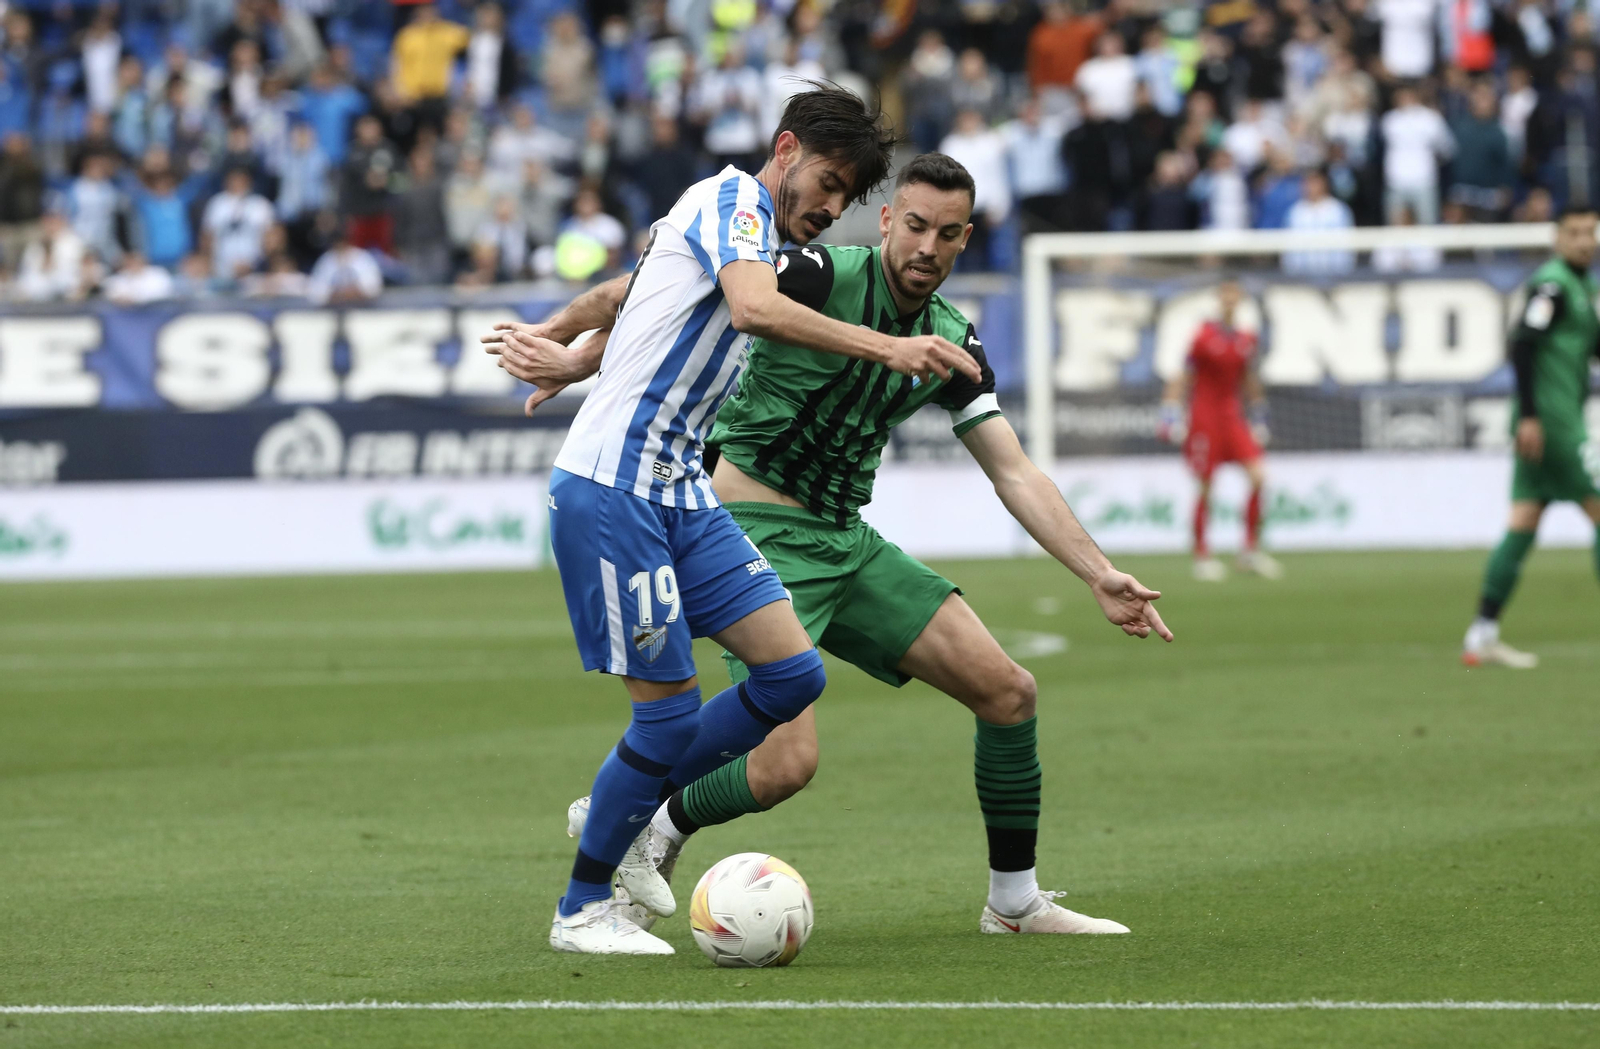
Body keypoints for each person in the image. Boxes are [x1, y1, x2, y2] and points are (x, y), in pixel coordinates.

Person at [517, 153, 1170, 938]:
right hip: (753, 523)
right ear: (890, 220)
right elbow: (662, 287)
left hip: (845, 541)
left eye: (948, 234)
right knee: (787, 762)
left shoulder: (951, 339)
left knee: (1008, 693)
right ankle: (650, 822)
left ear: (967, 240)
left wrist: (1098, 573)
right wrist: (576, 352)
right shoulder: (818, 272)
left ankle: (1015, 902)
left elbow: (1014, 470)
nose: (928, 246)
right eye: (917, 225)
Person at [482, 85, 976, 956]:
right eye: (825, 182)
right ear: (784, 151)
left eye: (845, 197)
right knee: (667, 720)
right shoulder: (729, 203)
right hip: (616, 489)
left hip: (682, 490)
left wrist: (563, 346)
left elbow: (634, 294)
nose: (829, 208)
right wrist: (892, 346)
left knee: (792, 674)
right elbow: (750, 309)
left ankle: (613, 806)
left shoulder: (761, 238)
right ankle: (581, 907)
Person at [1462, 206, 1600, 668]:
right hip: (1554, 425)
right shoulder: (1553, 284)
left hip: (1546, 424)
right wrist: (1531, 416)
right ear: (1557, 237)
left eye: (1591, 232)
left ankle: (1482, 632)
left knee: (1523, 520)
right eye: (1575, 233)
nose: (1585, 240)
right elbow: (1522, 344)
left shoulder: (1582, 287)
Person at [1161, 278, 1281, 582]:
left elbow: (1249, 378)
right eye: (1224, 294)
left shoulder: (1246, 338)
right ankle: (1202, 555)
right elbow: (1184, 375)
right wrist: (1170, 411)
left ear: (1239, 299)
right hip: (1204, 417)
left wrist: (1260, 414)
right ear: (1218, 298)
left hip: (1232, 416)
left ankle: (1249, 551)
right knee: (1205, 484)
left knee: (1258, 476)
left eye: (1234, 294)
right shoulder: (1203, 336)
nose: (1229, 299)